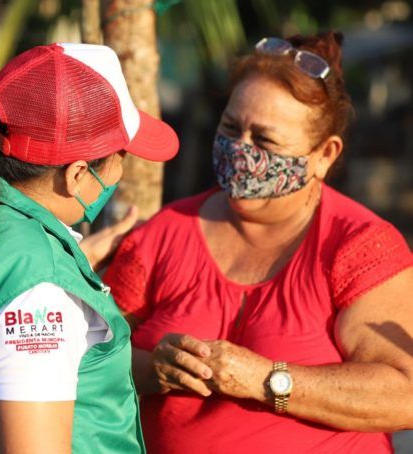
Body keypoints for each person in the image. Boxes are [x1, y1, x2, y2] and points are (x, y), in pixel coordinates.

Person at [104, 32, 413, 453]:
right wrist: (152, 367)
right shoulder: (162, 233)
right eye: (231, 128)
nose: (240, 151)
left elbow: (404, 394)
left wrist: (267, 380)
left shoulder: (357, 247)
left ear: (324, 155)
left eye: (265, 140)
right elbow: (91, 361)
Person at [0, 43, 178, 453]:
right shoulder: (40, 288)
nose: (120, 172)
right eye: (121, 156)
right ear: (77, 174)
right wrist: (51, 272)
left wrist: (69, 263)